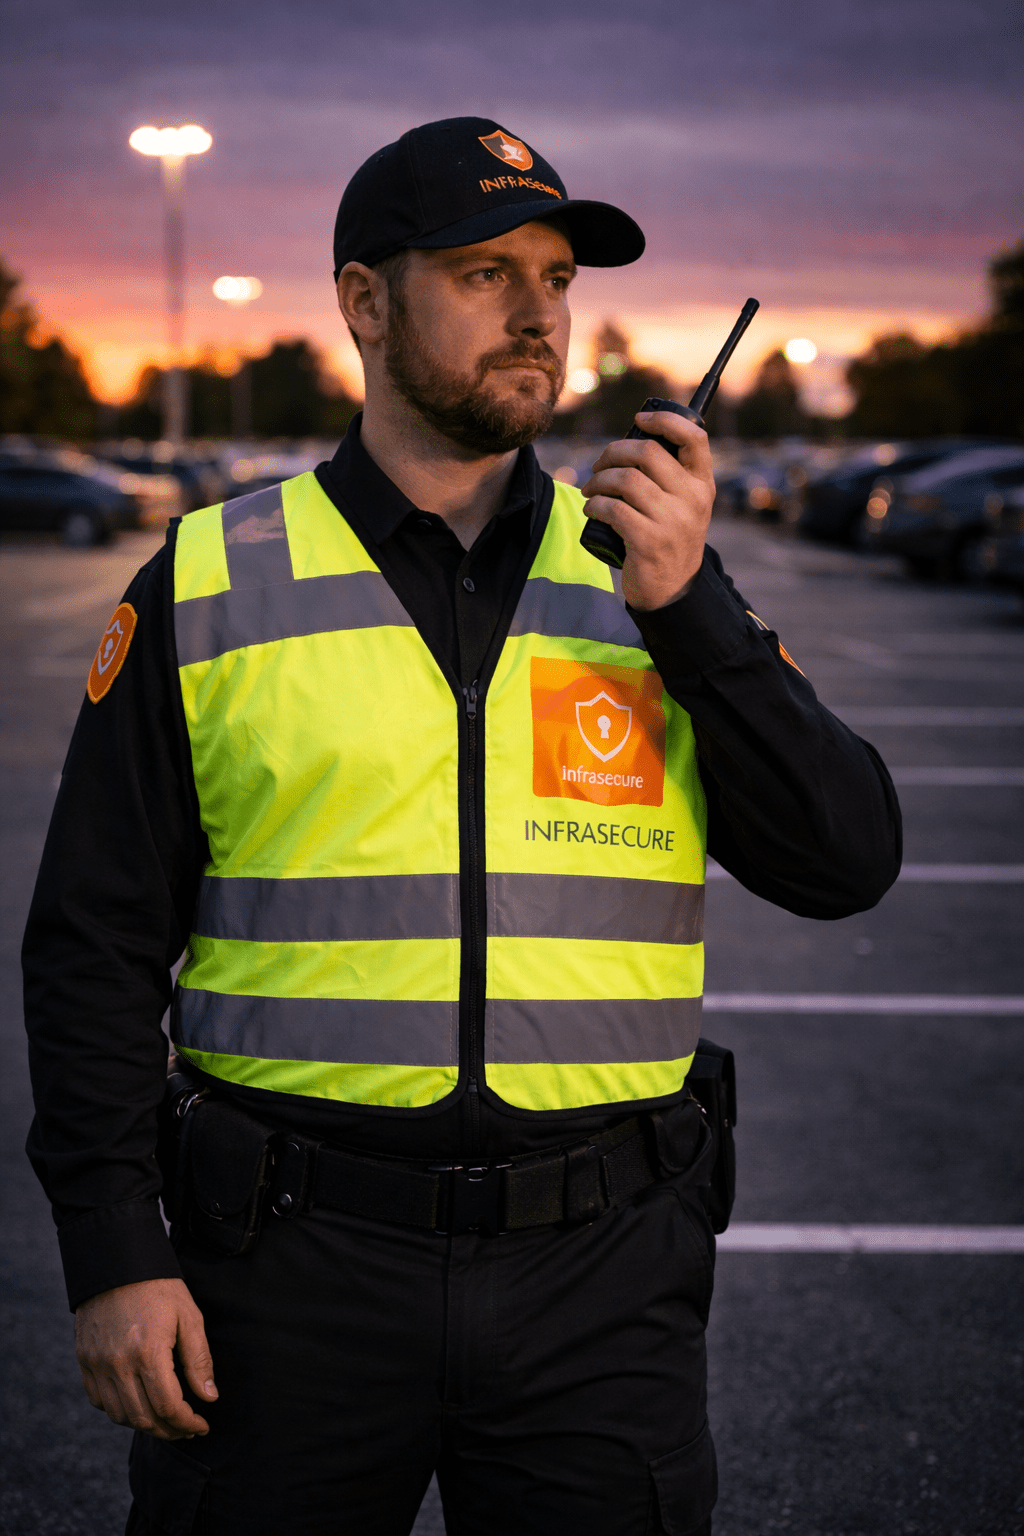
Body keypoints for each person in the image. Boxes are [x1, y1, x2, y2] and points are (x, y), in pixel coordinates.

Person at [23, 117, 901, 1536]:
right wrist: (115, 1250)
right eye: (486, 272)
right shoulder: (208, 579)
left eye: (556, 277)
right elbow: (89, 947)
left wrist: (698, 620)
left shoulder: (652, 577)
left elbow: (846, 861)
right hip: (286, 1271)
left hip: (602, 1282)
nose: (539, 313)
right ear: (366, 303)